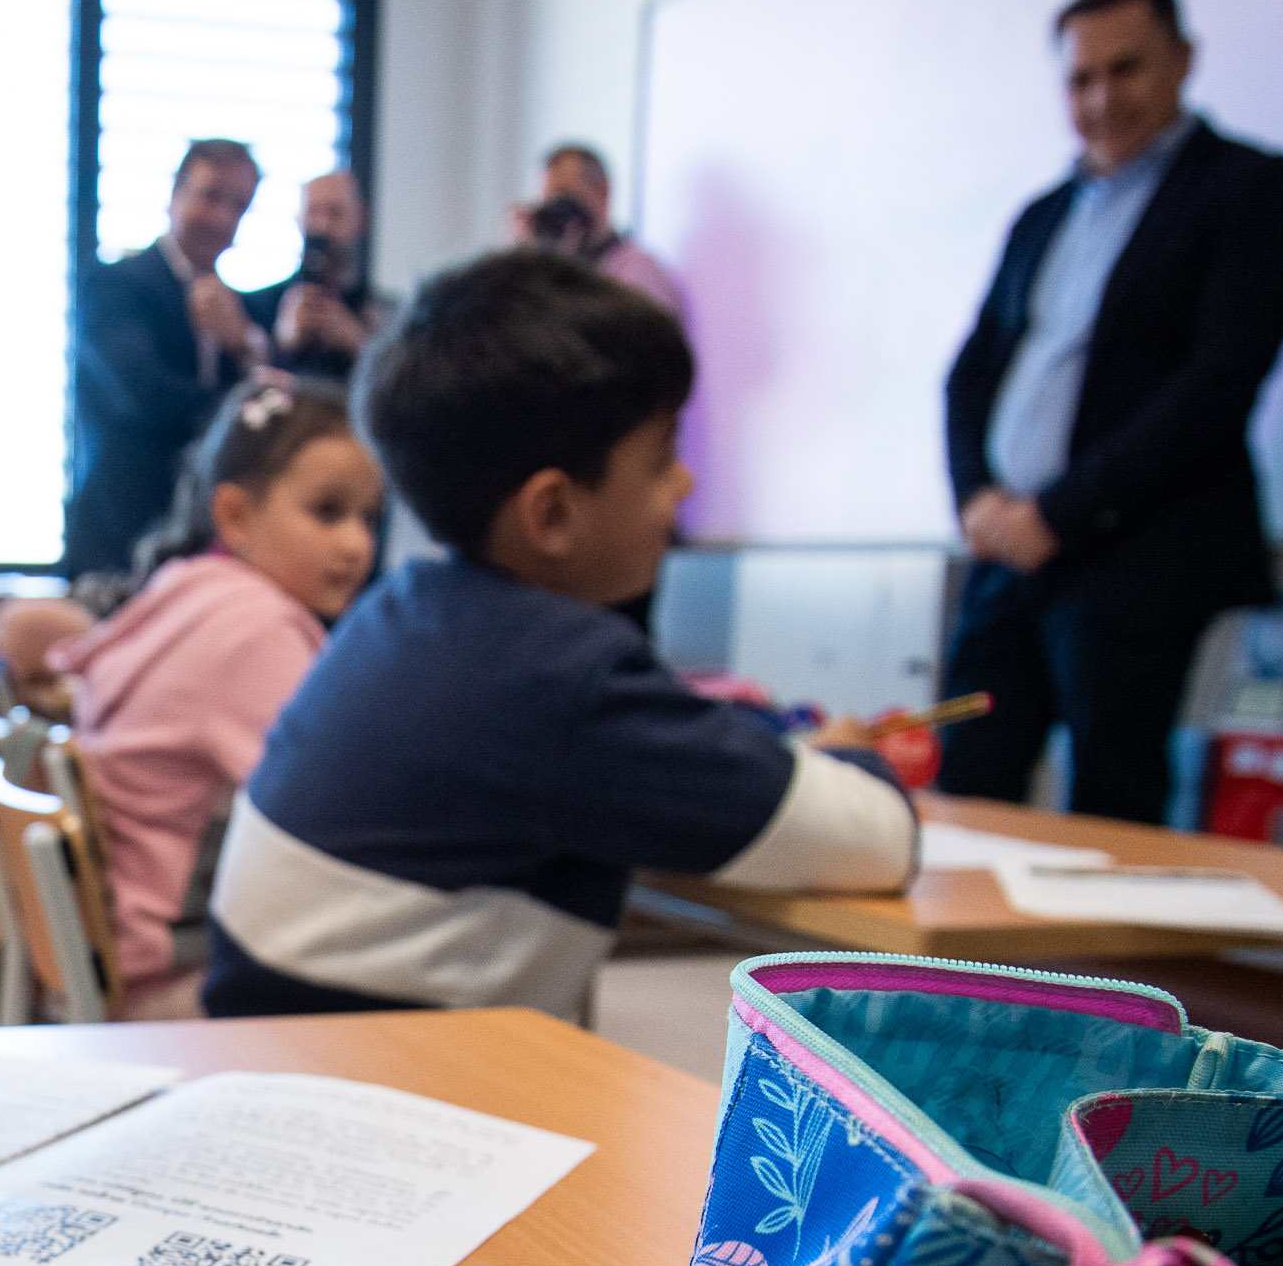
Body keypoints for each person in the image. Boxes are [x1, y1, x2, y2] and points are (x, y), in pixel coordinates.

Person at [204, 250, 914, 1022]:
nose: (686, 485)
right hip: (390, 1095)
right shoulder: (566, 678)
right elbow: (877, 840)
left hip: (283, 1051)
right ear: (550, 514)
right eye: (661, 459)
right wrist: (852, 754)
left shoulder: (405, 612)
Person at [939, 0, 1283, 824]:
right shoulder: (1042, 215)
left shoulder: (1255, 193)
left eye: (1127, 69)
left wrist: (1063, 513)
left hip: (1137, 556)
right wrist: (977, 498)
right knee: (968, 785)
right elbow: (971, 371)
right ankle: (952, 968)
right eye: (1081, 80)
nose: (1103, 98)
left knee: (1113, 806)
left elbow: (1215, 386)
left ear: (1182, 62)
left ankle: (1104, 971)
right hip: (1007, 552)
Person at [50, 382, 380, 1016]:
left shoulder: (184, 590)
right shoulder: (255, 626)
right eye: (327, 512)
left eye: (368, 518)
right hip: (172, 980)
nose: (355, 545)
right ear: (234, 517)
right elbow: (328, 812)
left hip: (111, 952)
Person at [64, 137, 269, 583]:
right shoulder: (114, 286)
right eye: (211, 196)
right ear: (176, 194)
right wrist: (239, 405)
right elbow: (144, 395)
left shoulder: (243, 311)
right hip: (121, 533)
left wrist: (244, 344)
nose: (222, 218)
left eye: (239, 206)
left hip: (204, 545)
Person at [242, 169, 387, 384]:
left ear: (361, 218)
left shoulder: (386, 315)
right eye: (313, 212)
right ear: (298, 219)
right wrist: (278, 345)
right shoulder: (256, 306)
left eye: (335, 213)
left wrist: (358, 344)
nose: (322, 227)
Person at [510, 143, 680, 315]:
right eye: (548, 204)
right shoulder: (546, 271)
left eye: (564, 198)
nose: (558, 214)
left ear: (603, 191)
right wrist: (524, 258)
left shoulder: (638, 273)